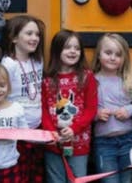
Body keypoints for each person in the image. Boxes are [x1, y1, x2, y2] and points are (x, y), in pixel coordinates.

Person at [41, 29, 98, 182]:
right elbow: (44, 110)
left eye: (77, 48)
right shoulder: (47, 79)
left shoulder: (86, 76)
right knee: (55, 179)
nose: (73, 51)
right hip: (54, 144)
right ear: (57, 50)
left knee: (78, 178)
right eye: (67, 47)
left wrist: (74, 129)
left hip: (79, 143)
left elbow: (91, 109)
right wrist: (51, 133)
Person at [90, 33, 132, 183]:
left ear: (124, 58)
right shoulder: (92, 81)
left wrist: (129, 111)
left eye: (118, 55)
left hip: (128, 140)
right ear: (98, 55)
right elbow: (85, 109)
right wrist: (96, 114)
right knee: (109, 180)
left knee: (127, 180)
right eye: (108, 53)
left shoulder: (129, 81)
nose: (113, 58)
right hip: (104, 143)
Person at [0, 14, 45, 182]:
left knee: (36, 173)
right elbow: (1, 97)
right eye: (29, 33)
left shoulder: (38, 62)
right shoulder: (8, 64)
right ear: (13, 38)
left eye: (37, 34)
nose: (35, 38)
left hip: (37, 129)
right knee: (19, 175)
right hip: (18, 131)